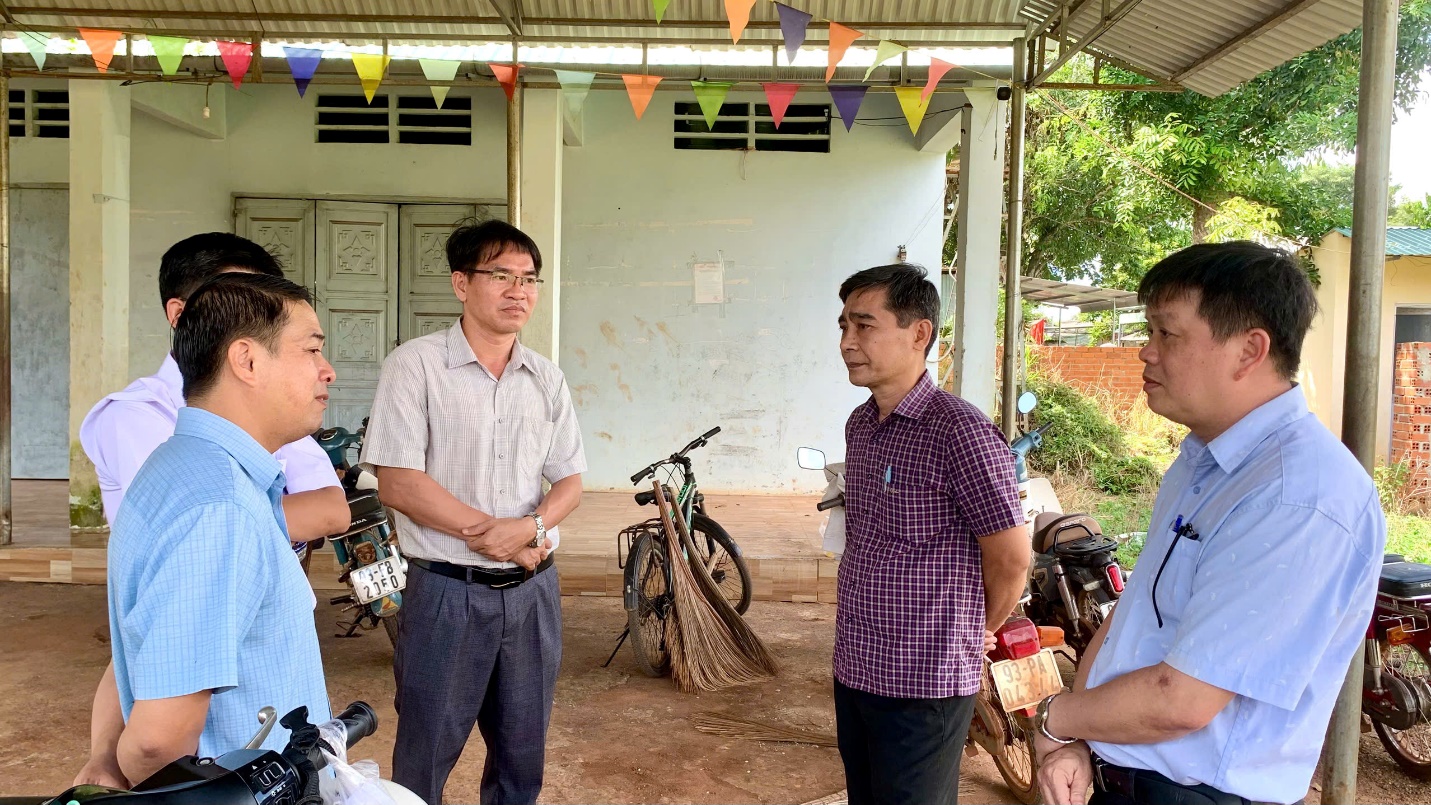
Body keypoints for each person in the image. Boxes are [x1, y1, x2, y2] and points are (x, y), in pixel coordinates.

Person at [1033, 242, 1385, 805]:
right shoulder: (1202, 463)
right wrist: (1081, 736)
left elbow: (1182, 701)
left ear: (1249, 351)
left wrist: (1058, 717)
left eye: (1167, 334)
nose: (1145, 352)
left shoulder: (1295, 496)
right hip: (1128, 777)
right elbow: (1134, 616)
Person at [72, 234, 349, 788]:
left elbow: (138, 651)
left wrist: (104, 757)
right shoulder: (219, 509)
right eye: (312, 350)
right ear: (246, 360)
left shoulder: (185, 463)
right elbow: (157, 741)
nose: (328, 370)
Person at [361, 220, 586, 805]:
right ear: (461, 284)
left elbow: (570, 481)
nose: (519, 291)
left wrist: (530, 529)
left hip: (533, 593)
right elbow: (398, 482)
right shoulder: (415, 366)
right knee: (424, 755)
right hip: (447, 593)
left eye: (529, 279)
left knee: (521, 758)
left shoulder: (546, 378)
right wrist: (493, 536)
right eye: (501, 275)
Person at [833, 263, 1031, 805]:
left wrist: (977, 629)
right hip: (857, 661)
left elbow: (1011, 559)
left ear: (919, 333)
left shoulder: (960, 431)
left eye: (864, 326)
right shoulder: (861, 425)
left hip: (926, 679)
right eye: (844, 326)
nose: (847, 342)